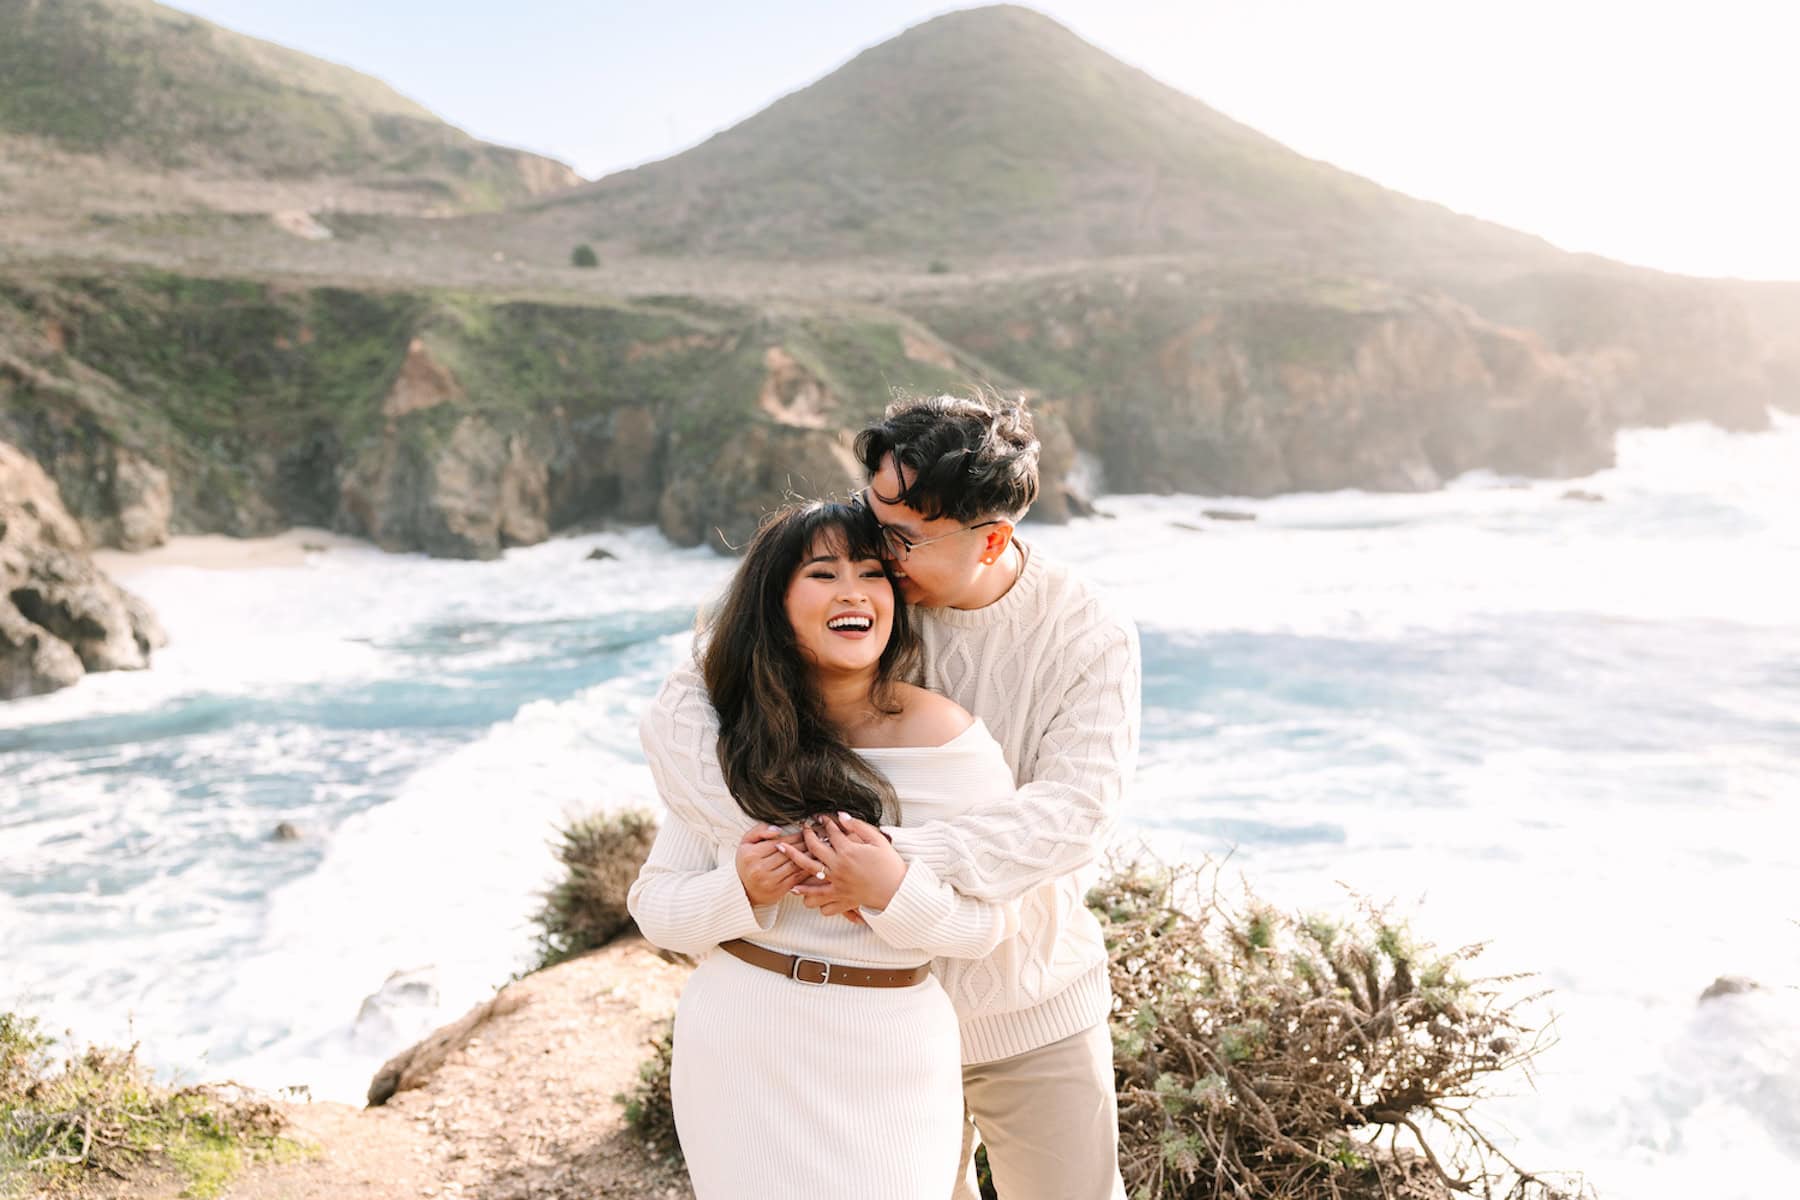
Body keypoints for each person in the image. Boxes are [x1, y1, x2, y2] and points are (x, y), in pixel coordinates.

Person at [640, 392, 1143, 1199]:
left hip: (1023, 998)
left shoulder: (1086, 631)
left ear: (993, 540)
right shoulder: (863, 595)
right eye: (877, 518)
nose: (880, 553)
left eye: (904, 538)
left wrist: (884, 865)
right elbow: (691, 700)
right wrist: (792, 848)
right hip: (869, 1022)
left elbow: (1077, 815)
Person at [627, 499, 1025, 1198]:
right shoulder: (730, 741)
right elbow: (655, 906)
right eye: (822, 573)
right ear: (774, 603)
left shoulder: (951, 743)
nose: (853, 591)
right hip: (742, 1043)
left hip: (891, 1052)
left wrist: (890, 892)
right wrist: (741, 891)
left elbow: (991, 925)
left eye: (872, 573)